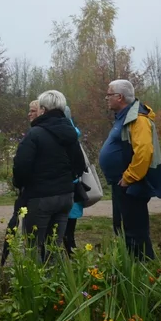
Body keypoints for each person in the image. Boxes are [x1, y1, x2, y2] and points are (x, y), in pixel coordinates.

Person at [12, 90, 83, 261]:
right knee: (54, 246)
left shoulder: (35, 133)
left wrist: (21, 184)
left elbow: (21, 167)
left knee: (34, 247)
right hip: (65, 196)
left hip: (40, 197)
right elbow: (79, 165)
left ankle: (35, 285)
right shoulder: (71, 133)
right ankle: (55, 284)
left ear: (43, 109)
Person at [100, 79, 161, 259]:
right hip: (121, 184)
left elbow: (144, 152)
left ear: (119, 97)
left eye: (109, 94)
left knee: (135, 232)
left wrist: (129, 177)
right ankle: (130, 268)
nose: (106, 98)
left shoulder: (138, 119)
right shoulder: (124, 117)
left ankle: (144, 271)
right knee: (122, 228)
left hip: (131, 185)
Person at [1, 100, 43, 265]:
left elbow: (23, 165)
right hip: (34, 190)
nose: (29, 114)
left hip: (36, 192)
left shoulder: (36, 135)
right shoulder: (33, 133)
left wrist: (19, 181)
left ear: (41, 112)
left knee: (35, 236)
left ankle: (33, 268)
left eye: (32, 111)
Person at [61, 106, 95, 256]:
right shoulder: (73, 134)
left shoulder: (66, 137)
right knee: (69, 231)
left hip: (70, 188)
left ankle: (72, 263)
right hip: (75, 188)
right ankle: (72, 261)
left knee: (66, 233)